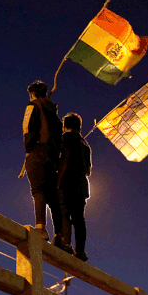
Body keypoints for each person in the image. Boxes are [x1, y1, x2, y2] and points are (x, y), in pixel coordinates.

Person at [22, 81, 71, 252]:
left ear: (32, 94)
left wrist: (29, 150)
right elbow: (60, 139)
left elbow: (28, 129)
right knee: (53, 197)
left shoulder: (32, 106)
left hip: (38, 153)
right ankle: (59, 236)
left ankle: (40, 228)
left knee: (38, 190)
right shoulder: (56, 117)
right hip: (52, 157)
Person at [57, 112, 92, 261]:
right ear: (80, 127)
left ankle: (66, 244)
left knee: (63, 212)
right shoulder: (85, 145)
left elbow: (62, 160)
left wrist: (57, 181)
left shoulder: (62, 140)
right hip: (81, 185)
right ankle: (80, 251)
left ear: (65, 126)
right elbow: (88, 171)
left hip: (66, 181)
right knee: (78, 218)